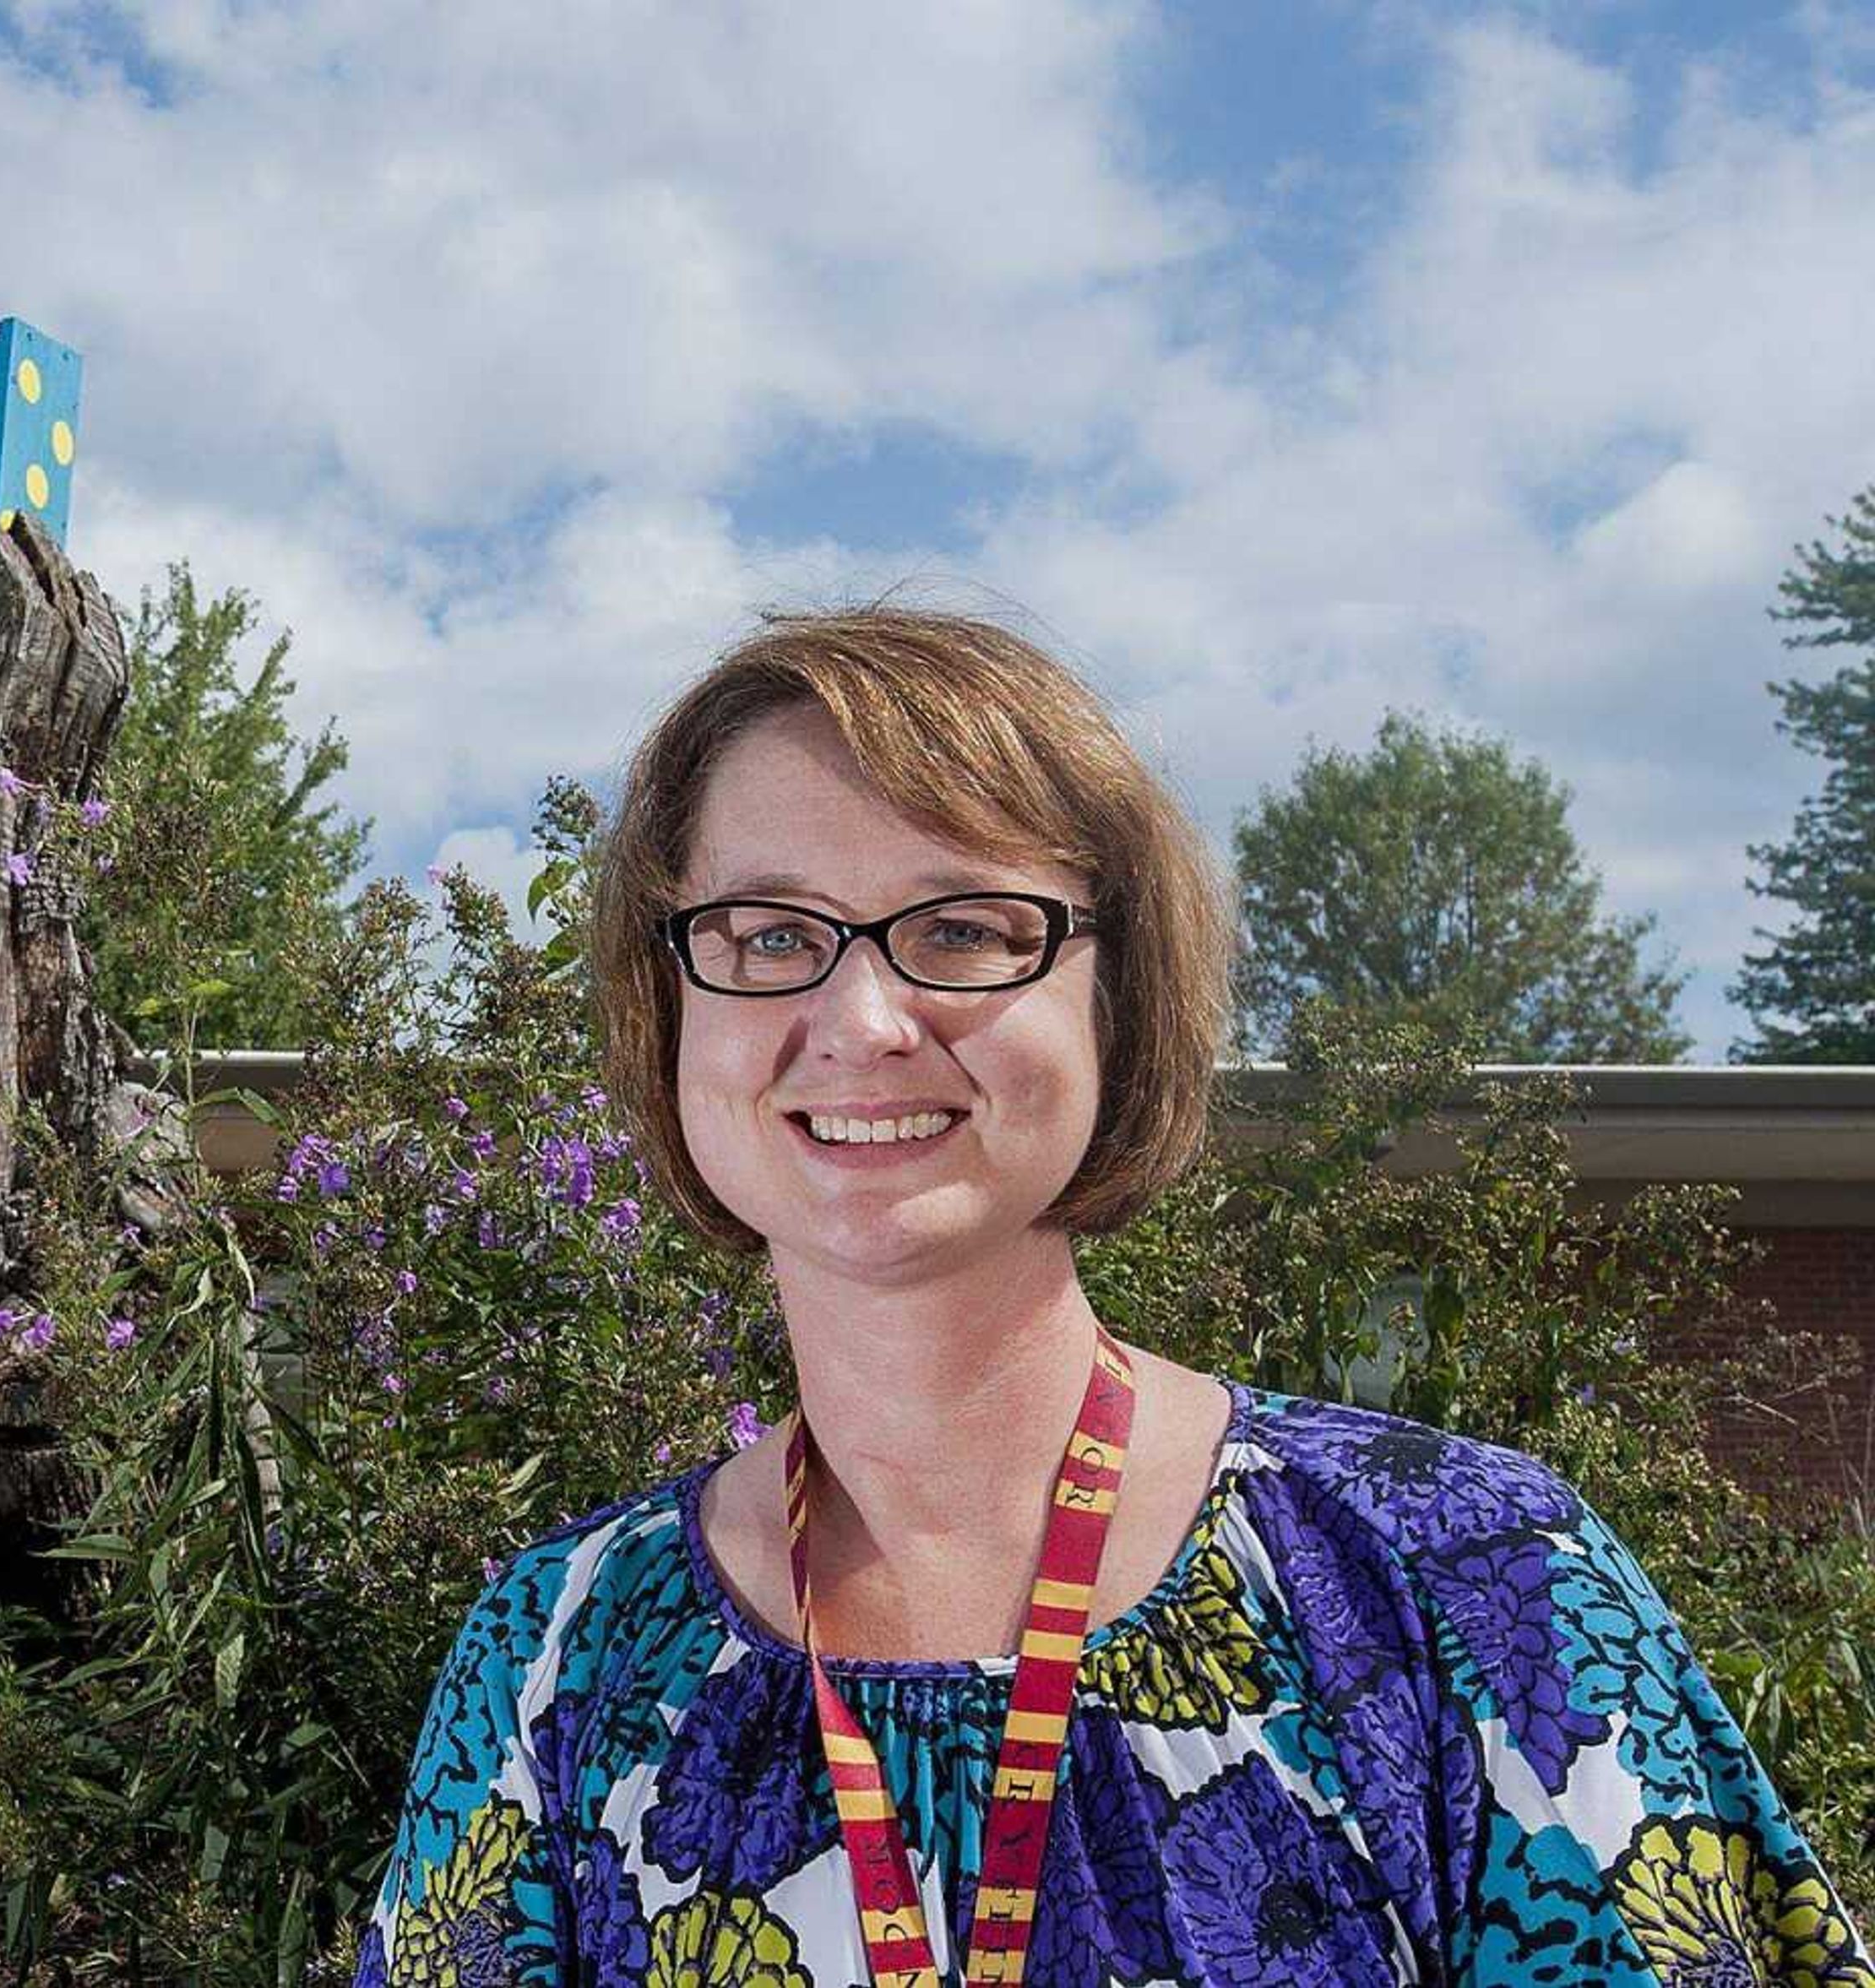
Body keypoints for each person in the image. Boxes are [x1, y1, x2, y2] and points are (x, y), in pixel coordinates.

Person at [359, 609, 1867, 1985]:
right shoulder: (552, 1662)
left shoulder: (1473, 1587)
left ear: (1118, 994)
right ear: (674, 1000)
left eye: (962, 927)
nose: (862, 1018)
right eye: (770, 934)